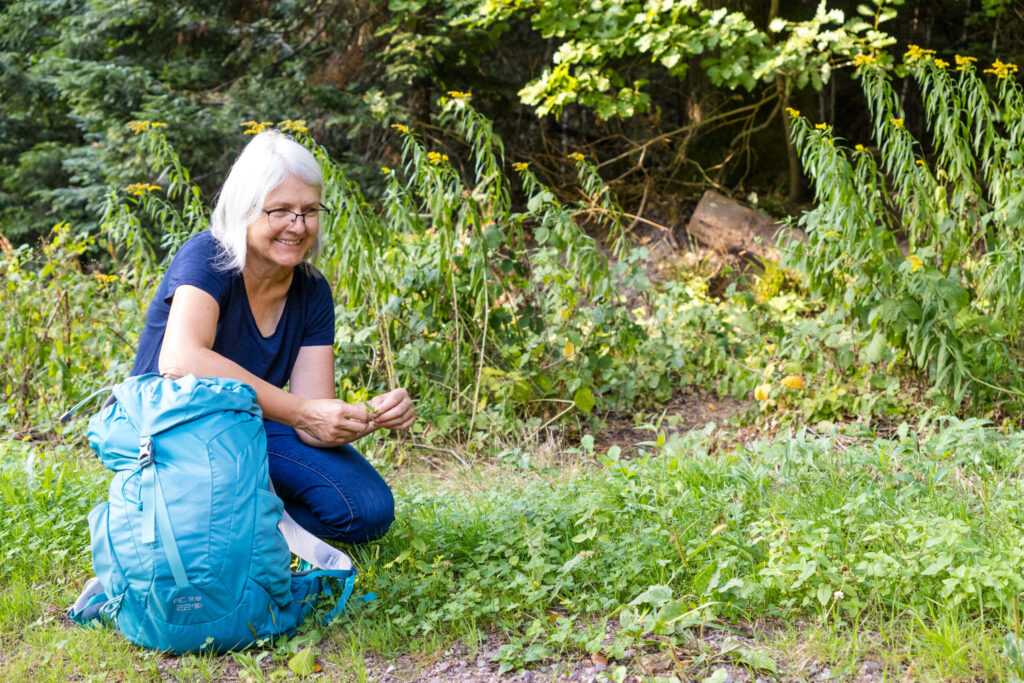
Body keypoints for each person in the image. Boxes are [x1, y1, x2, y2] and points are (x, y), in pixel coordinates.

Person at [129, 130, 413, 556]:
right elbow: (181, 358)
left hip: (248, 422)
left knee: (367, 508)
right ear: (245, 209)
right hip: (172, 424)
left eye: (309, 211)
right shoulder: (208, 256)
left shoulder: (312, 290)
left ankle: (241, 525)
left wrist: (366, 414)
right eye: (280, 210)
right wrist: (302, 413)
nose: (297, 227)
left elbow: (313, 425)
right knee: (216, 486)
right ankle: (210, 517)